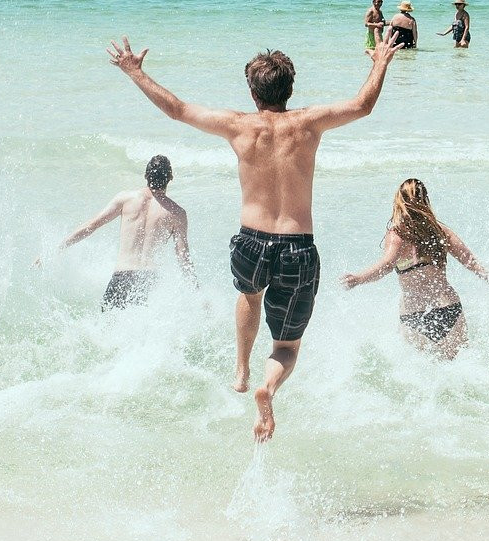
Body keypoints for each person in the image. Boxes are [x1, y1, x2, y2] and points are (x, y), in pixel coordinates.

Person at [108, 34, 401, 441]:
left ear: (252, 90)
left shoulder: (238, 126)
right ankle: (269, 386)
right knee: (287, 347)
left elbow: (176, 109)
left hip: (250, 242)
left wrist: (135, 72)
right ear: (291, 89)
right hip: (297, 245)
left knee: (249, 297)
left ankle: (242, 368)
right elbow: (362, 105)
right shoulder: (308, 122)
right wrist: (381, 60)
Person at [340, 178, 489, 358]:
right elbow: (471, 263)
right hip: (448, 308)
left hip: (414, 315)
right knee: (460, 370)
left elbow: (387, 265)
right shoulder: (440, 231)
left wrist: (358, 279)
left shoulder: (397, 234)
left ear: (399, 202)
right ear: (425, 200)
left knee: (420, 379)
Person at [55, 155, 196, 309]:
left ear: (145, 175)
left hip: (121, 277)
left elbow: (91, 226)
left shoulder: (125, 199)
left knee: (106, 329)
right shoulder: (177, 213)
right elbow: (183, 257)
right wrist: (197, 292)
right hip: (148, 280)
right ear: (170, 178)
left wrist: (57, 249)